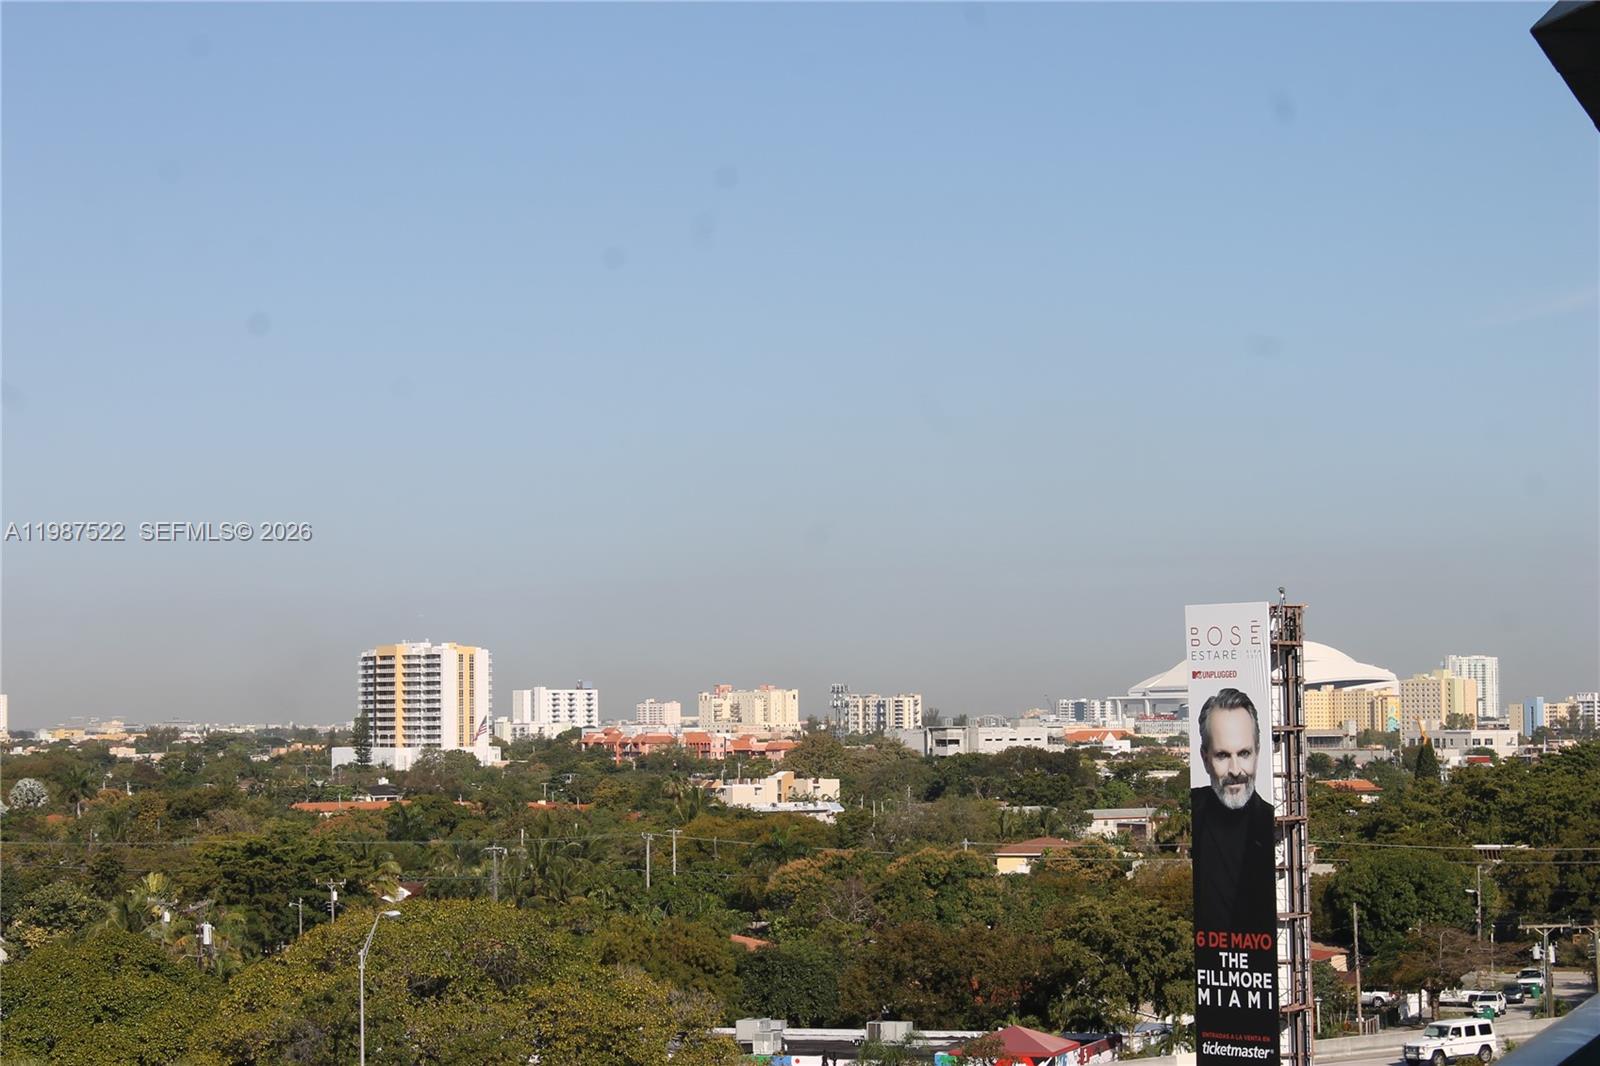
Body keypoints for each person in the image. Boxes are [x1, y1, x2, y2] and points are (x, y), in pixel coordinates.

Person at [1191, 688, 1276, 934]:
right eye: (1222, 756)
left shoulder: (1273, 824)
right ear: (1205, 759)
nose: (1236, 770)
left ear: (1258, 753)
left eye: (1244, 753)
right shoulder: (1194, 815)